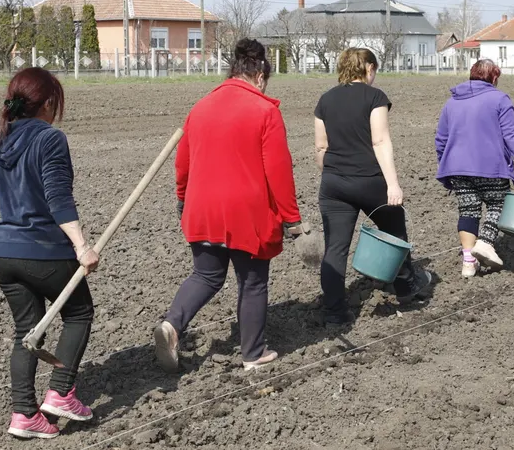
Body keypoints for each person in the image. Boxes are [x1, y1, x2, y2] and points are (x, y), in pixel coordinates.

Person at [154, 39, 305, 372]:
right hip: (246, 213)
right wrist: (292, 219)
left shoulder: (200, 107)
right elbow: (279, 171)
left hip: (203, 208)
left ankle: (172, 326)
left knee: (206, 275)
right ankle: (253, 354)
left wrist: (182, 199)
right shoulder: (265, 111)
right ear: (260, 75)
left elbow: (183, 163)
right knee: (252, 282)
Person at [0, 68, 100, 440]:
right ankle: (62, 393)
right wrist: (81, 246)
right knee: (79, 313)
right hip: (43, 250)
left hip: (5, 253)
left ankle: (24, 415)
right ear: (48, 102)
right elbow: (58, 198)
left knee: (28, 331)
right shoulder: (50, 138)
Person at [314, 48, 432, 326]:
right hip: (369, 180)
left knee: (335, 249)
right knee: (395, 229)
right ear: (368, 68)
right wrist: (393, 184)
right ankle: (406, 287)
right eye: (374, 69)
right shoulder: (375, 97)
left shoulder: (325, 99)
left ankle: (335, 313)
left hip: (334, 184)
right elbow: (379, 141)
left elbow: (320, 147)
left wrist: (331, 175)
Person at [435, 59, 514, 277]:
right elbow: (511, 134)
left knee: (468, 211)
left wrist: (445, 164)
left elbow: (441, 139)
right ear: (494, 77)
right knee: (500, 203)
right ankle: (485, 242)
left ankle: (468, 262)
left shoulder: (451, 102)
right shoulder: (499, 99)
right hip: (491, 166)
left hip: (458, 168)